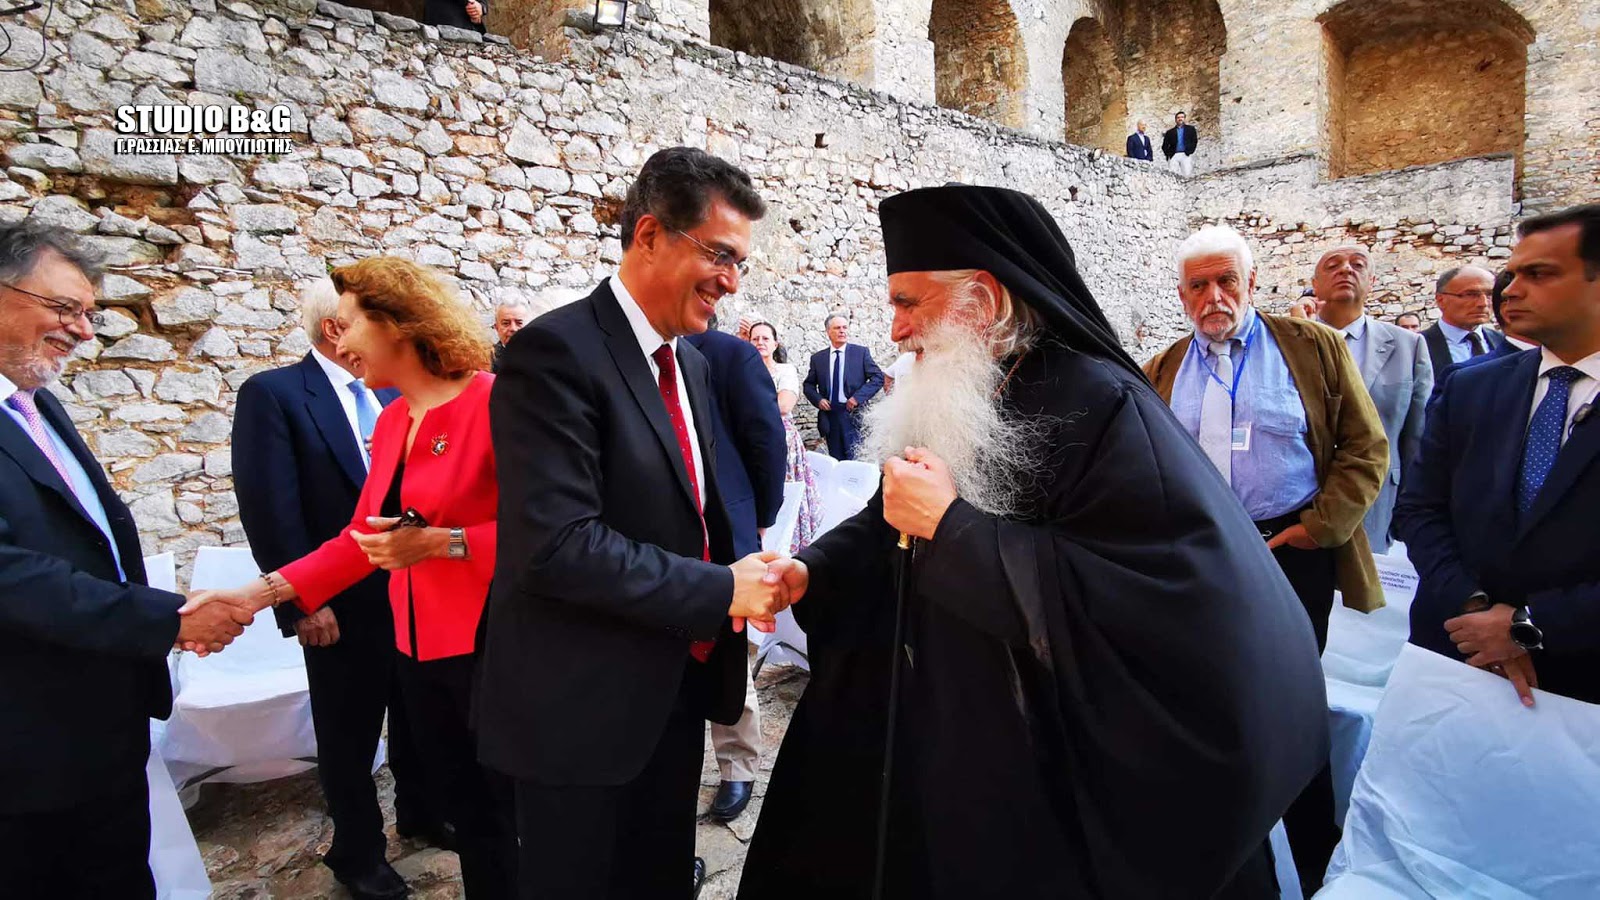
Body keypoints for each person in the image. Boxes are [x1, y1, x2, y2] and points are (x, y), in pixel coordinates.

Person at [739, 185, 1328, 899]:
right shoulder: (964, 386)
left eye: (908, 303)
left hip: (1044, 757)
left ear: (983, 301)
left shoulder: (1101, 403)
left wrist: (953, 529)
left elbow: (1153, 596)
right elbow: (891, 513)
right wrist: (813, 569)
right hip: (943, 722)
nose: (894, 330)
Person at [480, 146, 787, 900]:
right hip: (580, 711)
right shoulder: (554, 351)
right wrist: (721, 589)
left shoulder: (692, 363)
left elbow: (695, 508)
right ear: (648, 235)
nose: (732, 281)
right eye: (719, 254)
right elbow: (556, 545)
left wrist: (751, 571)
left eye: (741, 263)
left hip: (671, 691)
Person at [181, 257, 515, 898]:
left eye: (350, 323)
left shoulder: (496, 402)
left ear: (397, 324)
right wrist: (253, 596)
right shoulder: (392, 421)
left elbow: (553, 533)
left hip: (492, 648)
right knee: (471, 817)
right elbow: (360, 541)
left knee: (508, 820)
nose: (340, 340)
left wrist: (443, 543)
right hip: (418, 655)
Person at [0, 222, 250, 897]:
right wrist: (170, 619)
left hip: (97, 731)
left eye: (89, 313)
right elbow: (13, 577)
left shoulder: (37, 407)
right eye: (64, 308)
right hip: (21, 752)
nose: (83, 331)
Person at [1144, 225, 1388, 893]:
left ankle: (1314, 860)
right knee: (1206, 700)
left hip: (1290, 552)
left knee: (1290, 704)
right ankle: (1228, 853)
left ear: (1252, 283)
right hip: (1200, 556)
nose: (1213, 296)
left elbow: (1365, 447)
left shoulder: (1311, 346)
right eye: (1198, 285)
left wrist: (1317, 527)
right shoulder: (1162, 367)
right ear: (1182, 294)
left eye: (1227, 280)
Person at [232, 280, 446, 900]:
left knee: (416, 714)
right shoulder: (275, 394)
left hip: (412, 593)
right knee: (348, 733)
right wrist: (303, 602)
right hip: (338, 602)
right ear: (336, 328)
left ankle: (423, 811)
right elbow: (270, 509)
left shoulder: (392, 393)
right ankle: (358, 852)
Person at [1397, 205, 1600, 708]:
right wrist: (1474, 610)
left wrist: (1527, 627)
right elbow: (1420, 508)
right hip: (1456, 654)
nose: (1509, 290)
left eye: (1539, 274)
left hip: (1582, 680)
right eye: (1513, 273)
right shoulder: (1471, 387)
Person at [684, 316, 787, 822]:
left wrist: (761, 516)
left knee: (729, 649)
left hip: (725, 527)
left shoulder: (729, 354)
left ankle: (738, 765)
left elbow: (765, 440)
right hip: (661, 535)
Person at [1313, 247, 1432, 554]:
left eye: (1358, 265)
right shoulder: (1288, 342)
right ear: (1314, 284)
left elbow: (1417, 436)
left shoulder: (1408, 346)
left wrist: (1411, 511)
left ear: (1372, 281)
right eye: (1333, 265)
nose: (1346, 270)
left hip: (1378, 504)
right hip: (1304, 503)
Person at [749, 321, 823, 552]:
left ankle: (787, 545)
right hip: (749, 438)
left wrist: (746, 405)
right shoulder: (744, 370)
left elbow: (784, 405)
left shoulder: (785, 370)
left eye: (765, 338)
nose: (760, 342)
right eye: (755, 339)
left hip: (780, 437)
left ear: (775, 343)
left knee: (783, 489)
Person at [802, 314, 884, 459]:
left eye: (845, 327)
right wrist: (818, 400)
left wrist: (857, 398)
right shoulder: (818, 359)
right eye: (837, 328)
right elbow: (808, 385)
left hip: (853, 415)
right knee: (835, 460)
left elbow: (878, 378)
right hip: (830, 416)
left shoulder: (860, 353)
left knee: (855, 460)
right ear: (828, 332)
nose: (842, 331)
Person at [1421, 265, 1505, 380]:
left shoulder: (1503, 342)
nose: (1483, 303)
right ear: (1441, 300)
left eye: (1490, 295)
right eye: (1470, 295)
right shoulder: (1417, 346)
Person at [490, 300, 531, 373]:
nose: (513, 328)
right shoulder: (488, 359)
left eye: (519, 323)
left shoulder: (542, 354)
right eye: (506, 323)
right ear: (496, 327)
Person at [1162, 111, 1198, 177]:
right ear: (1175, 119)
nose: (1180, 119)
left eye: (1182, 117)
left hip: (1185, 154)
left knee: (1187, 174)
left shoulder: (1190, 129)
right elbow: (1164, 145)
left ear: (1184, 118)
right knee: (1172, 175)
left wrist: (1190, 151)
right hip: (1174, 155)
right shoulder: (1170, 132)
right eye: (1178, 117)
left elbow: (1194, 141)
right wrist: (1168, 154)